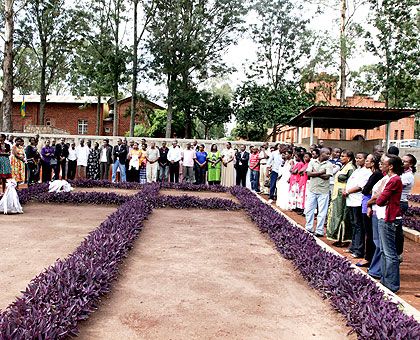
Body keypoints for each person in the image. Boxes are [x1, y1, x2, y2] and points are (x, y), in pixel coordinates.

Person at [375, 154, 403, 293]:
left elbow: (379, 200)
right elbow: (378, 195)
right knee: (384, 251)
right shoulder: (387, 178)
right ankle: (385, 281)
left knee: (390, 253)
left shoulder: (394, 180)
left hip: (389, 219)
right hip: (384, 218)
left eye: (383, 163)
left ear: (391, 166)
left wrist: (380, 197)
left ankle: (391, 285)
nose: (381, 164)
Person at [342, 152, 371, 259]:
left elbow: (360, 186)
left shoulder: (366, 172)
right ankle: (353, 247)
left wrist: (348, 191)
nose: (358, 160)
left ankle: (359, 250)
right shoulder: (357, 170)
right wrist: (345, 190)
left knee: (358, 226)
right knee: (353, 224)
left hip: (357, 201)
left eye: (360, 158)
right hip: (351, 201)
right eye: (357, 158)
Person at [357, 153, 383, 267]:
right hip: (366, 204)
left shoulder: (376, 175)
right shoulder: (373, 174)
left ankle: (368, 258)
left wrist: (366, 189)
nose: (365, 162)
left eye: (367, 160)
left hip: (370, 206)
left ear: (373, 163)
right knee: (368, 231)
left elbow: (366, 189)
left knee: (370, 233)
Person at [327, 150, 356, 246]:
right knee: (337, 216)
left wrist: (346, 191)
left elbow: (351, 182)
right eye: (341, 156)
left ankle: (344, 239)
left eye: (343, 156)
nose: (341, 158)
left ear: (349, 158)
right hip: (337, 195)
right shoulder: (343, 167)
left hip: (343, 195)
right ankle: (338, 237)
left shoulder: (351, 168)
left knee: (343, 216)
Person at [304, 148, 333, 237]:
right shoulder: (312, 162)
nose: (329, 155)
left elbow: (327, 177)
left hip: (323, 191)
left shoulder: (329, 164)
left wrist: (315, 173)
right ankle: (309, 227)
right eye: (327, 154)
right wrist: (321, 172)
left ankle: (319, 230)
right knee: (309, 210)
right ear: (322, 154)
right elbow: (308, 174)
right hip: (312, 189)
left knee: (322, 212)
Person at [398, 154, 416, 260]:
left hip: (400, 203)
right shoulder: (402, 173)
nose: (402, 163)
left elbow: (396, 186)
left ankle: (398, 252)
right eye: (402, 160)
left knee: (397, 229)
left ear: (411, 164)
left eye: (405, 161)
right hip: (397, 202)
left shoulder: (408, 176)